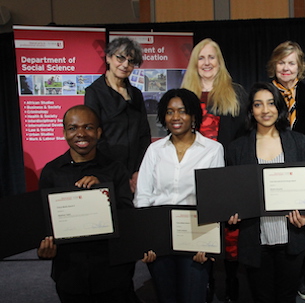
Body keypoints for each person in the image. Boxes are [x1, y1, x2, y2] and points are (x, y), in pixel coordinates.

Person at [37, 105, 144, 302]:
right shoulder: (52, 171)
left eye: (88, 127)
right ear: (64, 133)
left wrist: (103, 193)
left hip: (112, 272)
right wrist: (44, 245)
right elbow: (42, 219)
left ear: (99, 132)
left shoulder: (115, 170)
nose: (81, 133)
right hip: (70, 272)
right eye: (73, 128)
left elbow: (127, 217)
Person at [134, 88, 224, 303]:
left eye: (182, 111)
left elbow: (214, 200)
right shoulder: (155, 151)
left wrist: (207, 243)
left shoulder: (212, 150)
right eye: (170, 112)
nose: (175, 117)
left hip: (195, 236)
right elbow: (143, 197)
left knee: (193, 296)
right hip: (159, 236)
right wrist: (147, 240)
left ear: (193, 115)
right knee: (166, 297)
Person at [226, 82, 305, 303]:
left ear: (279, 107)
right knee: (261, 298)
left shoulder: (300, 142)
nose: (265, 110)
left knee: (286, 297)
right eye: (258, 105)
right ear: (251, 110)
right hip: (256, 238)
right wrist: (232, 213)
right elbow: (232, 193)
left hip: (292, 237)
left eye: (271, 103)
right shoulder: (237, 148)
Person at [181, 38, 248, 302]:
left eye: (212, 57)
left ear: (219, 62)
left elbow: (245, 137)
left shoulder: (236, 93)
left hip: (228, 177)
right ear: (195, 62)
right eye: (202, 57)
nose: (207, 63)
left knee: (231, 235)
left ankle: (231, 281)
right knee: (202, 234)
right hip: (193, 179)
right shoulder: (184, 96)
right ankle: (206, 282)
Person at [267, 40, 305, 300]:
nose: (286, 68)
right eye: (281, 62)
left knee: (303, 228)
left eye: (291, 63)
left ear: (299, 66)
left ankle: (303, 277)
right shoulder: (265, 93)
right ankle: (276, 278)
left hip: (304, 170)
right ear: (274, 65)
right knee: (274, 225)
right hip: (272, 168)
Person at [85, 37, 151, 193]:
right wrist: (118, 174)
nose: (125, 65)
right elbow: (95, 137)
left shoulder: (136, 94)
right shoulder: (94, 92)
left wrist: (139, 171)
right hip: (106, 170)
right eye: (120, 58)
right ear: (108, 58)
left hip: (136, 172)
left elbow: (144, 134)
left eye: (131, 61)